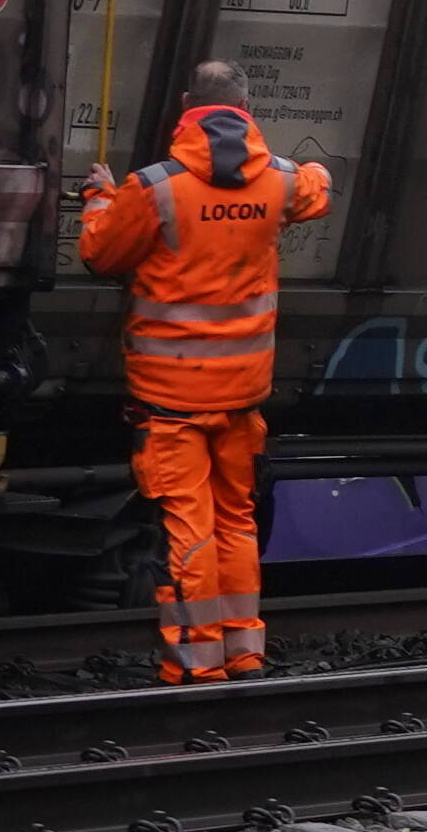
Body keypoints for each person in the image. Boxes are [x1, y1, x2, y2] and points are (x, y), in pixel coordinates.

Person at [74, 59, 328, 681]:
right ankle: (242, 653)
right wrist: (314, 168)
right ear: (245, 109)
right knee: (236, 520)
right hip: (243, 396)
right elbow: (317, 188)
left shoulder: (155, 187)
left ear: (187, 105)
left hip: (171, 400)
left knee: (189, 528)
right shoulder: (278, 182)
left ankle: (195, 663)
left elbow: (100, 254)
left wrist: (99, 195)